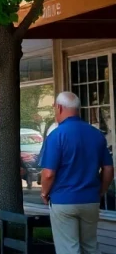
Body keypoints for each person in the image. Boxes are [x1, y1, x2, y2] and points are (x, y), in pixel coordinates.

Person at [40, 91, 115, 254]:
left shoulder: (56, 136)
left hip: (63, 200)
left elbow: (48, 174)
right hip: (90, 200)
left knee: (69, 249)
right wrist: (101, 191)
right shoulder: (96, 135)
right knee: (90, 246)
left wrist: (44, 192)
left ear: (59, 108)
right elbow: (109, 169)